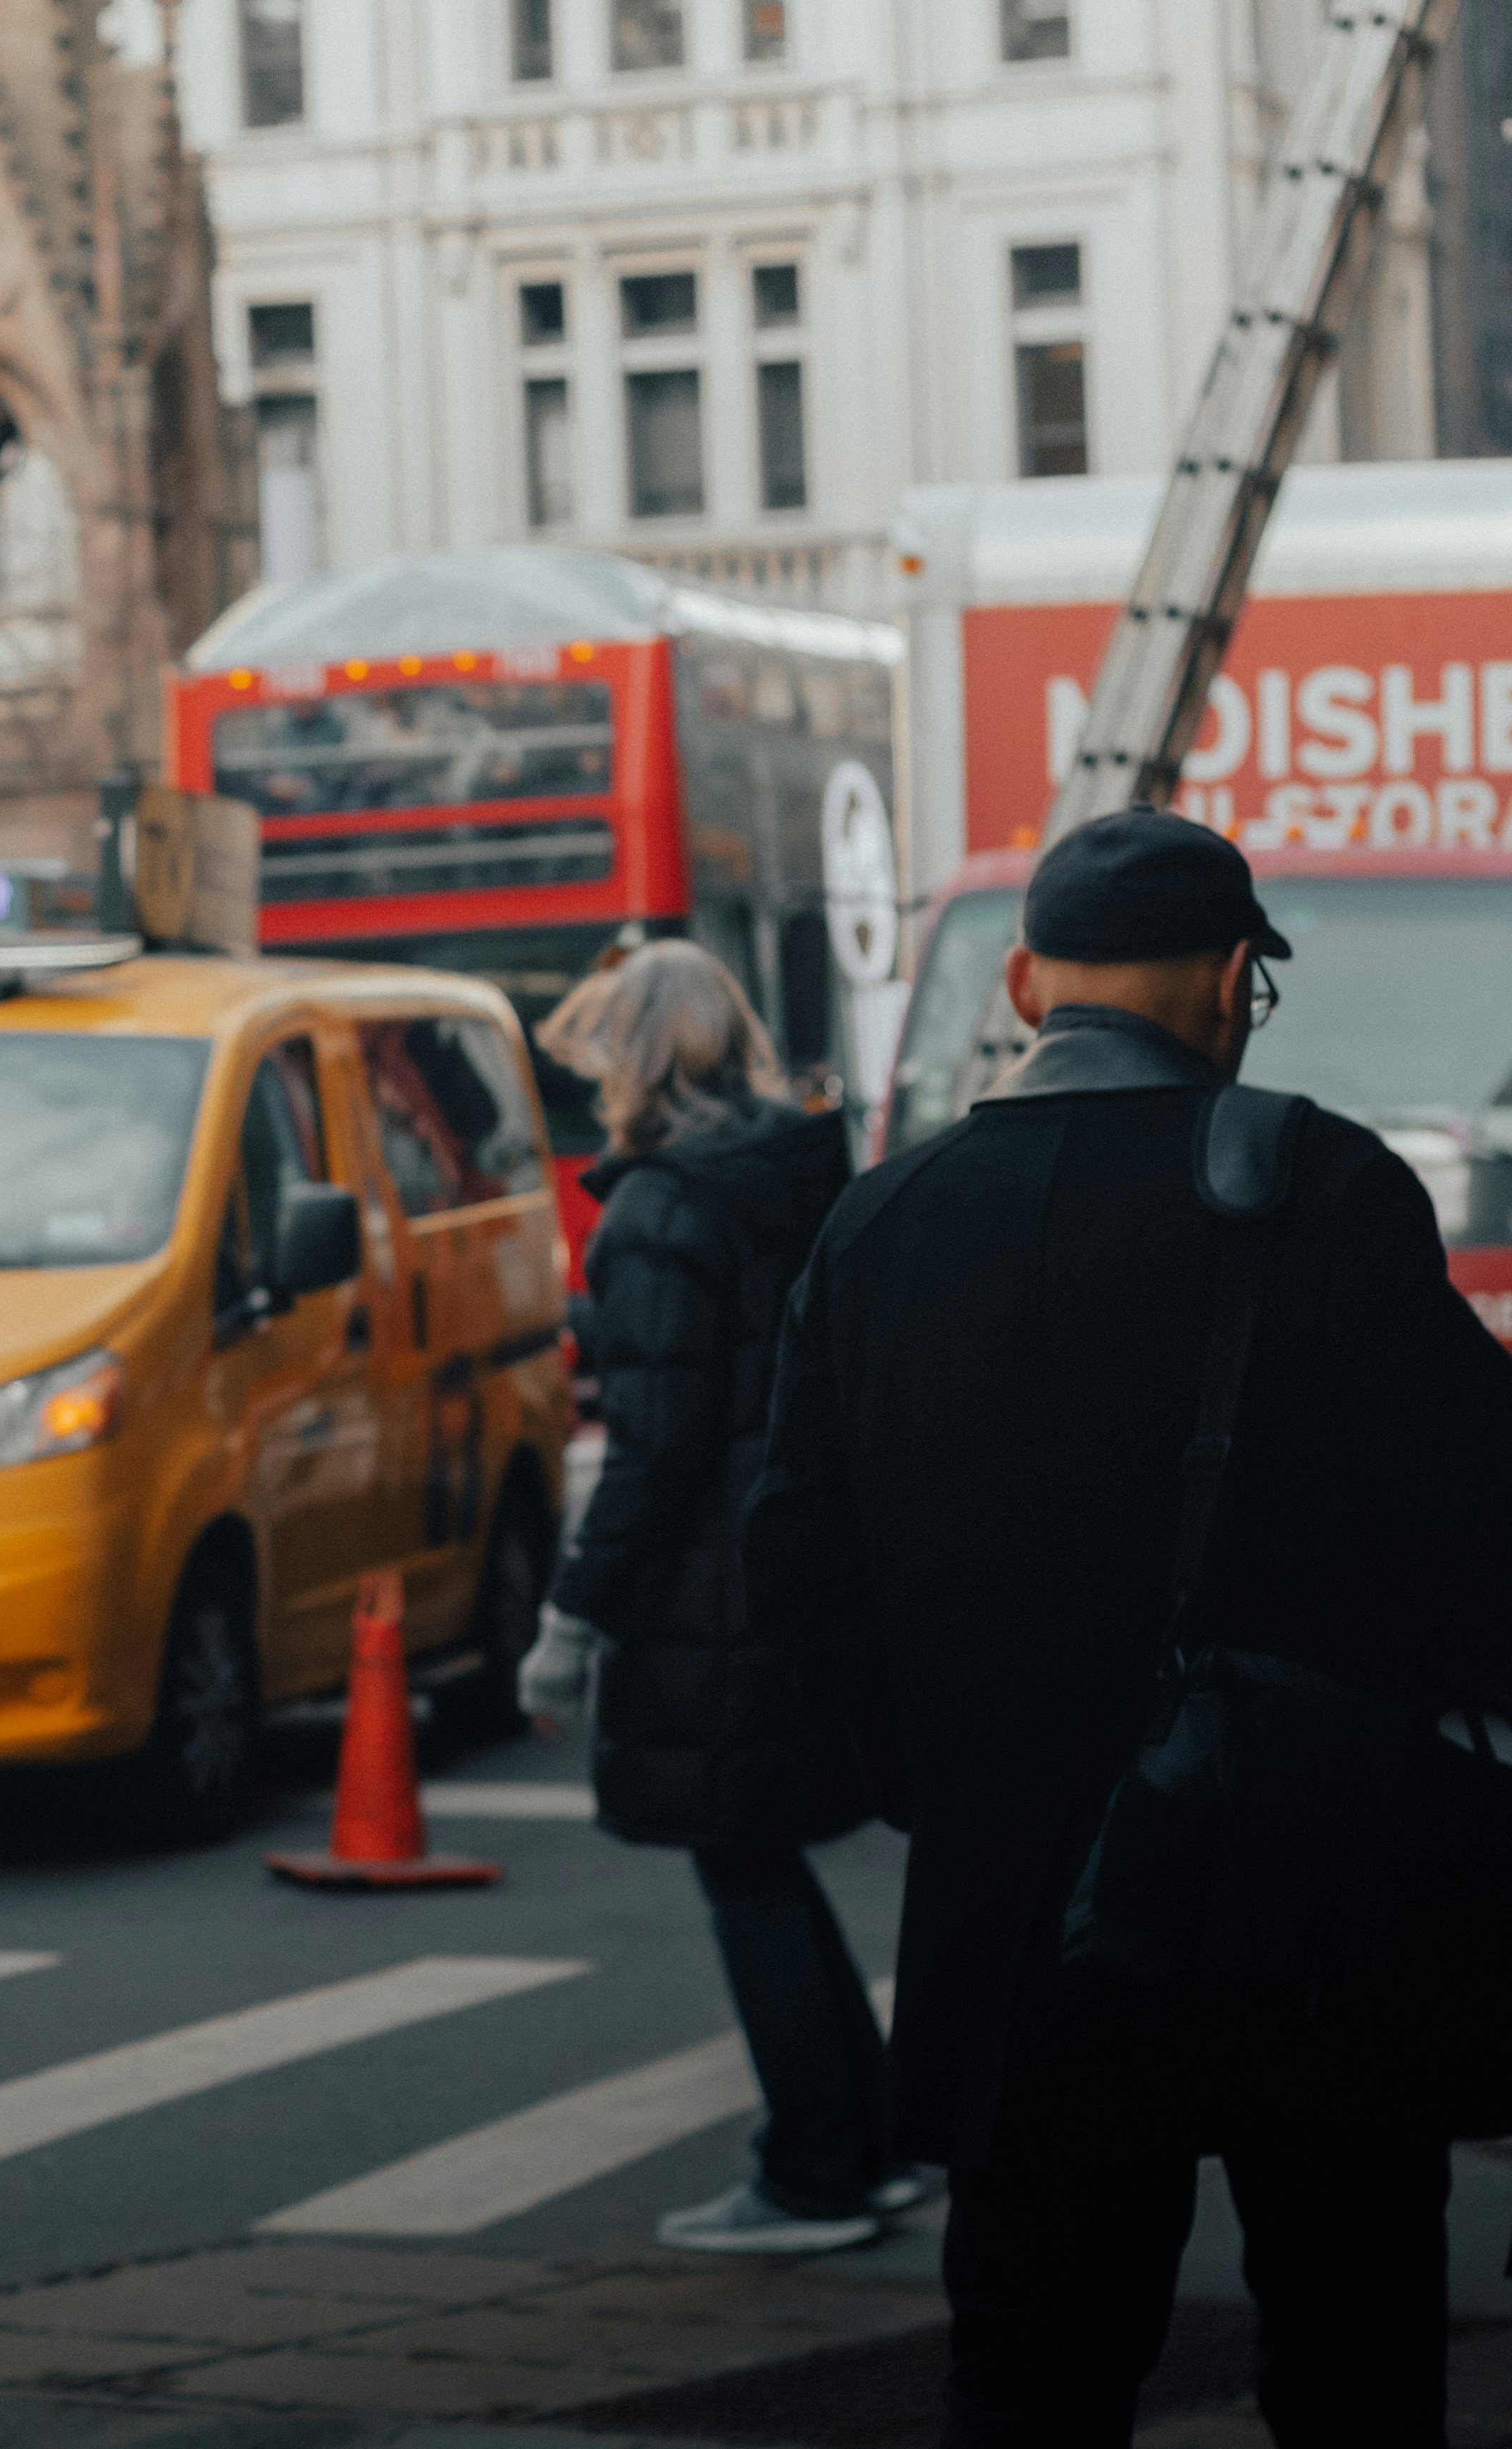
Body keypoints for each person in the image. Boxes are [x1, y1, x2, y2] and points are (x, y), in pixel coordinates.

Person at [745, 811, 1512, 2441]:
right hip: (1315, 1889)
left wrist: (937, 1777)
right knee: (1351, 2347)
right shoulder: (1322, 1183)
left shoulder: (876, 1225)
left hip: (1016, 1907)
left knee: (1032, 2366)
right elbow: (1475, 1518)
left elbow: (793, 1571)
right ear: (1235, 981)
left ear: (1023, 983)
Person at [518, 942, 906, 2256]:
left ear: (629, 1063)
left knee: (742, 1872)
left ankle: (811, 2176)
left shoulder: (655, 1217)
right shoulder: (802, 1186)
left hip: (706, 1602)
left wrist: (569, 1620)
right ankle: (864, 2140)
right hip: (795, 1581)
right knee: (769, 1855)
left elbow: (650, 1447)